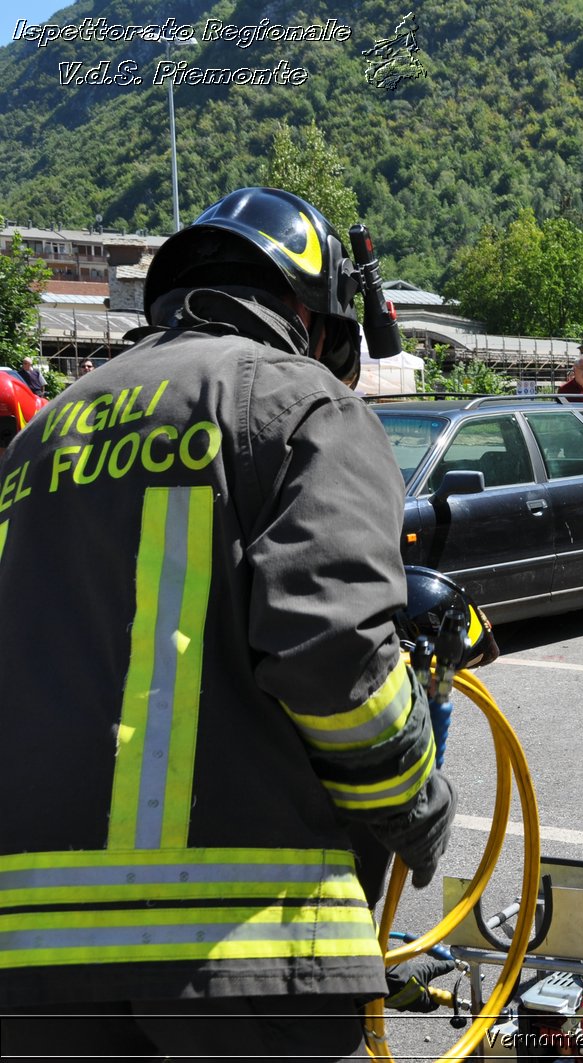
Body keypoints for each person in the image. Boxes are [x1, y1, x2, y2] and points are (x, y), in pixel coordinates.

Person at [0, 187, 456, 1059]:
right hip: (240, 956)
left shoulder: (43, 436)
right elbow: (335, 656)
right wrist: (416, 808)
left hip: (27, 963)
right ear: (314, 320)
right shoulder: (301, 403)